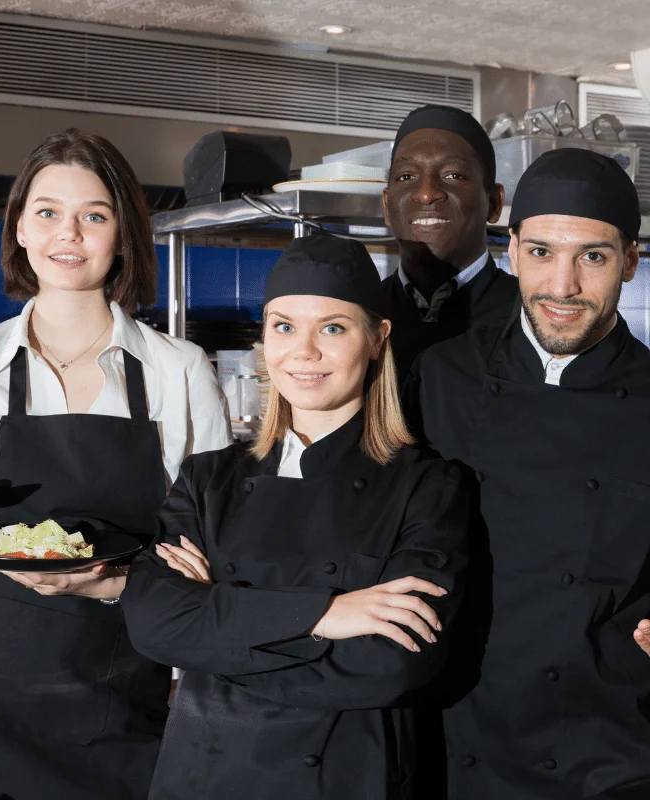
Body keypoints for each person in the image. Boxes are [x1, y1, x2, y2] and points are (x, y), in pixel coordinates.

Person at [0, 129, 232, 800]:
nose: (69, 233)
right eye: (48, 211)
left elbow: (206, 543)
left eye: (94, 214)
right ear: (21, 229)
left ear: (121, 235)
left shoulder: (178, 370)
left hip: (116, 681)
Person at [118, 232, 470, 800]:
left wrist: (217, 617)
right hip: (202, 776)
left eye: (332, 327)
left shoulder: (426, 485)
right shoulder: (208, 479)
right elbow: (154, 625)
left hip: (345, 776)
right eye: (284, 326)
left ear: (378, 338)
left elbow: (394, 663)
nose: (303, 353)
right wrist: (327, 612)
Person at [403, 147, 650, 799]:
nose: (563, 287)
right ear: (511, 250)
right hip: (450, 739)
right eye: (541, 252)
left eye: (592, 256)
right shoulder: (437, 377)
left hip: (604, 751)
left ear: (629, 259)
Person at [381, 104, 517, 384]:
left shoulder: (532, 318)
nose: (426, 193)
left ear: (493, 203)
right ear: (386, 205)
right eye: (406, 177)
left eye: (453, 175)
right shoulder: (362, 314)